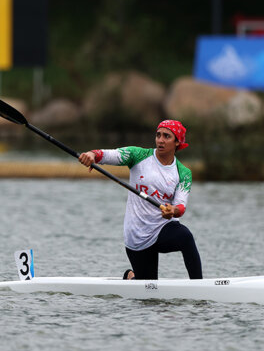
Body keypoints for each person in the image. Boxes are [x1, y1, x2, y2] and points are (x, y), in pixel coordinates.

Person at [78, 120, 203, 280]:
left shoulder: (183, 173)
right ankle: (130, 277)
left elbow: (181, 205)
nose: (160, 140)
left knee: (185, 237)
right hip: (138, 233)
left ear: (177, 142)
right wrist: (92, 155)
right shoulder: (138, 155)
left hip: (163, 227)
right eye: (158, 135)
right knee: (149, 294)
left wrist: (173, 210)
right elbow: (111, 155)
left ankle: (199, 285)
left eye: (167, 136)